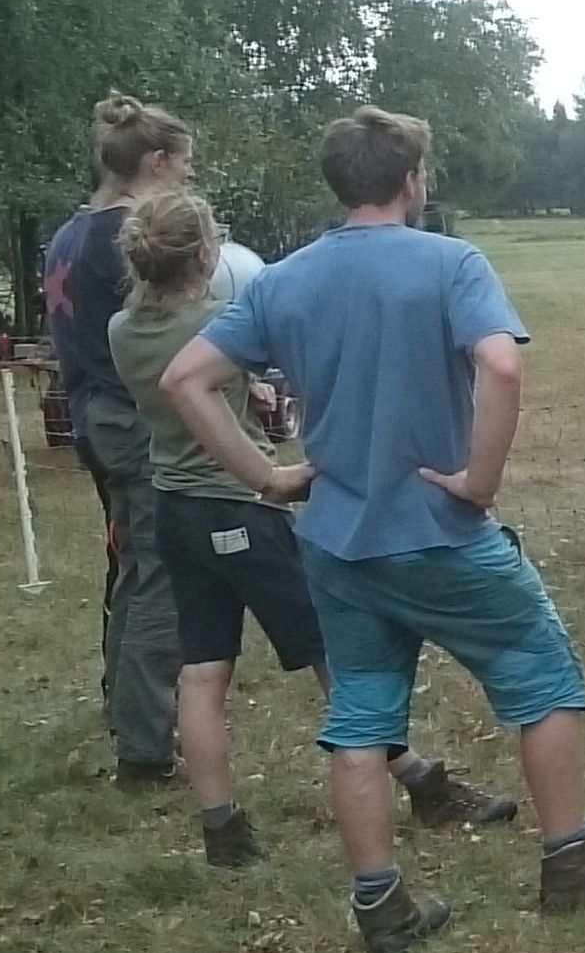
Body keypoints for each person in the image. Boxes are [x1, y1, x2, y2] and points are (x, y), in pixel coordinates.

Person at [163, 107, 585, 953]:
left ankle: (382, 907)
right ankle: (571, 862)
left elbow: (185, 378)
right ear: (410, 181)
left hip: (337, 543)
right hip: (440, 534)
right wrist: (478, 482)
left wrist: (267, 477)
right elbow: (501, 363)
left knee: (360, 712)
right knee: (541, 676)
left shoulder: (281, 282)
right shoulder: (450, 263)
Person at [108, 190, 518, 867]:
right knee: (342, 660)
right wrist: (270, 476)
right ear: (207, 254)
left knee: (202, 669)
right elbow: (212, 377)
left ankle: (222, 829)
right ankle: (421, 780)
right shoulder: (217, 319)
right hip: (238, 507)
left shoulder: (122, 329)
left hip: (171, 506)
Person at [43, 94, 192, 787]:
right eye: (183, 166)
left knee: (134, 571)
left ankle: (128, 711)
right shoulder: (128, 236)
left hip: (92, 416)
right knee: (160, 578)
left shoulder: (70, 233)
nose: (186, 180)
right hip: (134, 423)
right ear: (156, 162)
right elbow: (163, 333)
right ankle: (145, 747)